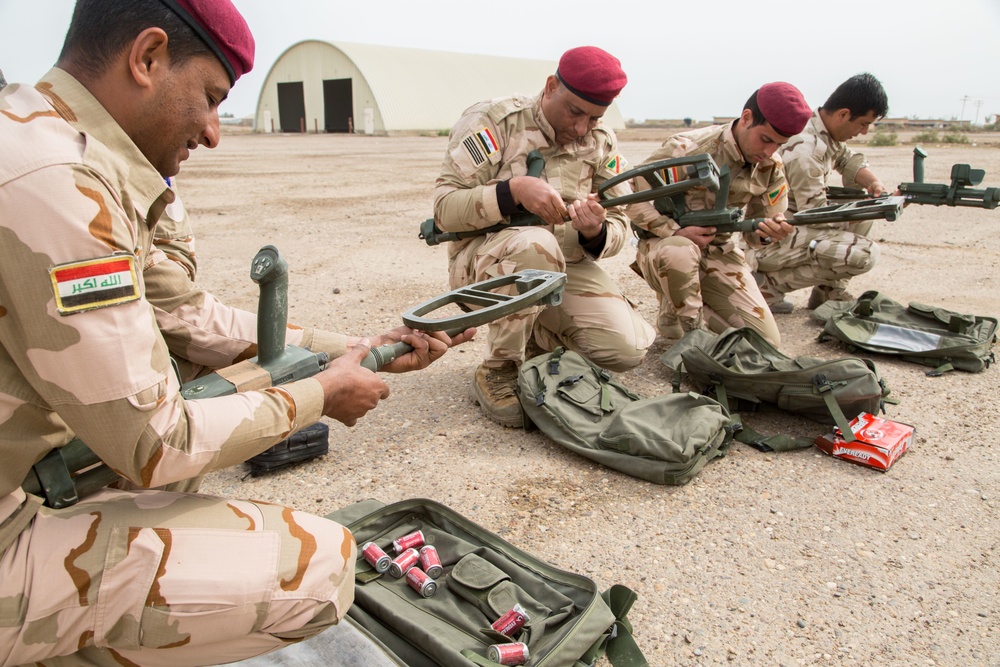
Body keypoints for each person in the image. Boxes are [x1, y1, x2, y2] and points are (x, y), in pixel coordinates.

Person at [0, 1, 473, 665]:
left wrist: (359, 349)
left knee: (197, 383)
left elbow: (188, 319)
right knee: (323, 565)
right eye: (211, 98)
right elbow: (158, 441)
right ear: (147, 58)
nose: (215, 131)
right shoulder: (60, 185)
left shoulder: (35, 132)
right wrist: (319, 397)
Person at [433, 46, 655, 429]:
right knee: (537, 244)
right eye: (574, 112)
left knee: (626, 350)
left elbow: (622, 220)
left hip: (566, 267)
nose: (582, 127)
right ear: (551, 86)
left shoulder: (601, 141)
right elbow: (444, 208)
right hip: (488, 268)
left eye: (594, 117)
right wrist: (512, 191)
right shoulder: (494, 121)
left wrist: (595, 231)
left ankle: (538, 338)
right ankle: (500, 367)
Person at [626, 82, 812, 346]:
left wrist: (769, 235)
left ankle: (684, 305)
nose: (769, 152)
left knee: (764, 343)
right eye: (766, 139)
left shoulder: (771, 165)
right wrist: (674, 231)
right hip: (666, 248)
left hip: (719, 253)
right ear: (746, 117)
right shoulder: (689, 148)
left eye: (780, 144)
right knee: (679, 252)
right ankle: (688, 326)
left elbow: (755, 235)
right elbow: (629, 197)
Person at [749, 73, 891, 312]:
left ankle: (828, 293)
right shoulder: (806, 149)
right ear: (843, 114)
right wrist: (876, 208)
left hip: (791, 223)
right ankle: (768, 286)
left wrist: (874, 184)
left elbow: (846, 159)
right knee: (862, 253)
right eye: (863, 124)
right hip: (766, 239)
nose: (864, 131)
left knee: (863, 214)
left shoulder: (821, 128)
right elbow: (816, 216)